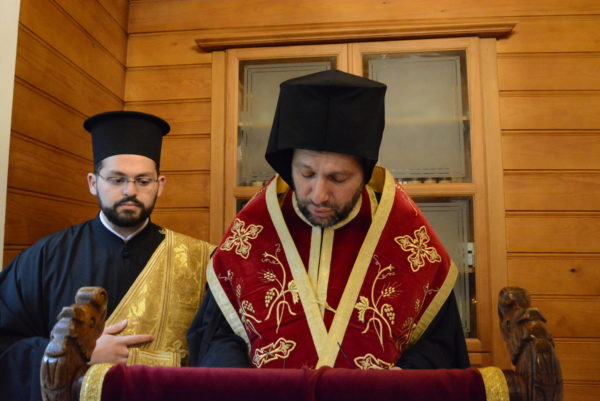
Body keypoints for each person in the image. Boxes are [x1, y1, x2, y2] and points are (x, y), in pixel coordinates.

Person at [187, 70, 469, 370]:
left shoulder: (404, 234)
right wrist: (240, 379)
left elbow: (439, 344)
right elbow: (218, 335)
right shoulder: (253, 231)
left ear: (365, 173)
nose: (319, 195)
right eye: (306, 174)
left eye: (338, 178)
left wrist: (404, 378)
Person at [0, 111, 214, 401]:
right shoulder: (45, 258)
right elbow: (6, 346)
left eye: (143, 180)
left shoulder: (198, 260)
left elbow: (215, 350)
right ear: (93, 183)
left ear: (160, 185)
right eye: (116, 179)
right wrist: (76, 354)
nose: (130, 191)